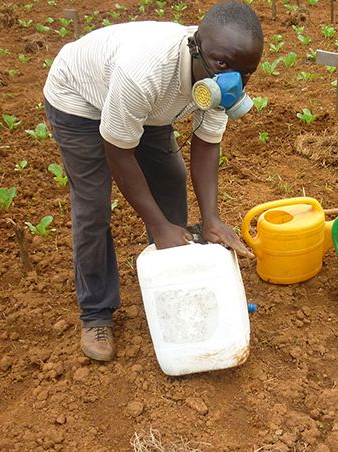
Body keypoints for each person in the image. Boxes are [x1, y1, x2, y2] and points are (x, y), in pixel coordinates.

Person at [43, 1, 263, 362]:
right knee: (94, 206)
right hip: (80, 99)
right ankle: (96, 312)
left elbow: (207, 146)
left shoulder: (223, 68)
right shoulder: (143, 72)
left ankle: (172, 276)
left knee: (171, 179)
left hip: (151, 107)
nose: (233, 81)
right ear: (195, 46)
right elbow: (118, 152)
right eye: (223, 66)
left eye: (246, 72)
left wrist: (210, 218)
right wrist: (157, 223)